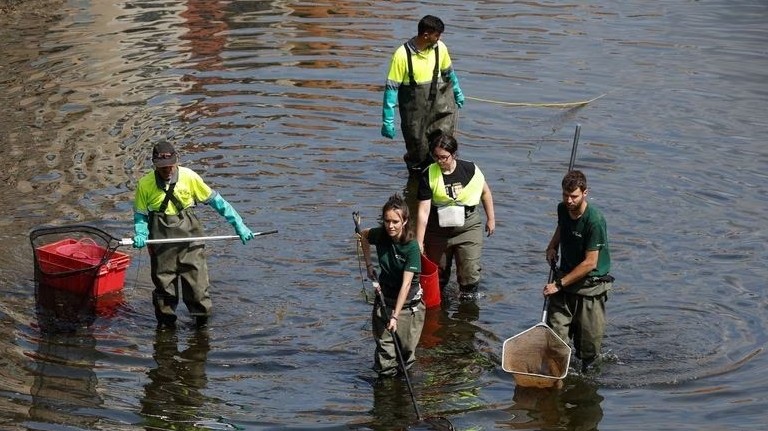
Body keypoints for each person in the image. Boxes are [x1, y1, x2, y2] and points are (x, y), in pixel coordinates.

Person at [132, 141, 255, 329]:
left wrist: (238, 224)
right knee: (164, 290)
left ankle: (201, 327)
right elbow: (140, 215)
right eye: (162, 167)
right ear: (154, 165)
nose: (167, 170)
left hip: (190, 240)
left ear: (176, 161)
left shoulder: (189, 177)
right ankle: (166, 329)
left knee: (198, 289)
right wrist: (141, 233)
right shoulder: (144, 184)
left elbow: (217, 201)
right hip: (162, 243)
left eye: (170, 166)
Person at [542, 170, 613, 372]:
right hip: (564, 282)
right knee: (556, 336)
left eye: (574, 196)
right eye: (565, 195)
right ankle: (557, 375)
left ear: (585, 193)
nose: (569, 200)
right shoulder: (562, 209)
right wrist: (552, 246)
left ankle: (586, 372)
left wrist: (558, 285)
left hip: (590, 287)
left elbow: (590, 263)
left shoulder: (595, 221)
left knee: (588, 348)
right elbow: (561, 227)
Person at [381, 15, 465, 177]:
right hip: (415, 116)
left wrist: (457, 91)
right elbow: (391, 89)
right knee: (419, 153)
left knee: (444, 148)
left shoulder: (440, 48)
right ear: (426, 35)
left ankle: (445, 181)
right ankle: (416, 186)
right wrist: (388, 120)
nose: (439, 38)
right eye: (437, 35)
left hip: (442, 110)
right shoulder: (402, 55)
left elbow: (449, 74)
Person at [415, 132, 495, 299]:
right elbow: (423, 211)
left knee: (469, 272)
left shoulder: (470, 170)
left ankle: (468, 304)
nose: (440, 161)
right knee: (438, 275)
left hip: (468, 227)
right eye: (436, 157)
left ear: (454, 154)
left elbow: (485, 192)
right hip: (437, 230)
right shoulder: (428, 175)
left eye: (444, 157)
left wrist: (491, 219)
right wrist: (419, 241)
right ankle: (440, 305)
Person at [359, 194, 425, 377]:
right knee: (385, 353)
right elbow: (363, 236)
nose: (390, 226)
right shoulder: (380, 234)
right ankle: (385, 385)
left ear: (404, 221)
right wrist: (369, 265)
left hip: (407, 305)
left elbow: (406, 285)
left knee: (405, 353)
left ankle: (402, 381)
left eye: (395, 222)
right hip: (385, 299)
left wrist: (395, 316)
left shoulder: (412, 247)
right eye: (387, 221)